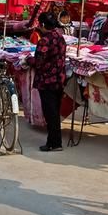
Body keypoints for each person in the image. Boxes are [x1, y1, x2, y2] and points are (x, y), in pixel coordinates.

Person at [27, 12, 66, 152]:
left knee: (50, 113)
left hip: (47, 81)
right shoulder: (60, 38)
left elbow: (38, 62)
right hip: (59, 80)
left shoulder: (45, 40)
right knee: (54, 112)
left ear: (43, 24)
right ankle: (55, 141)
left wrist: (28, 60)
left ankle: (55, 143)